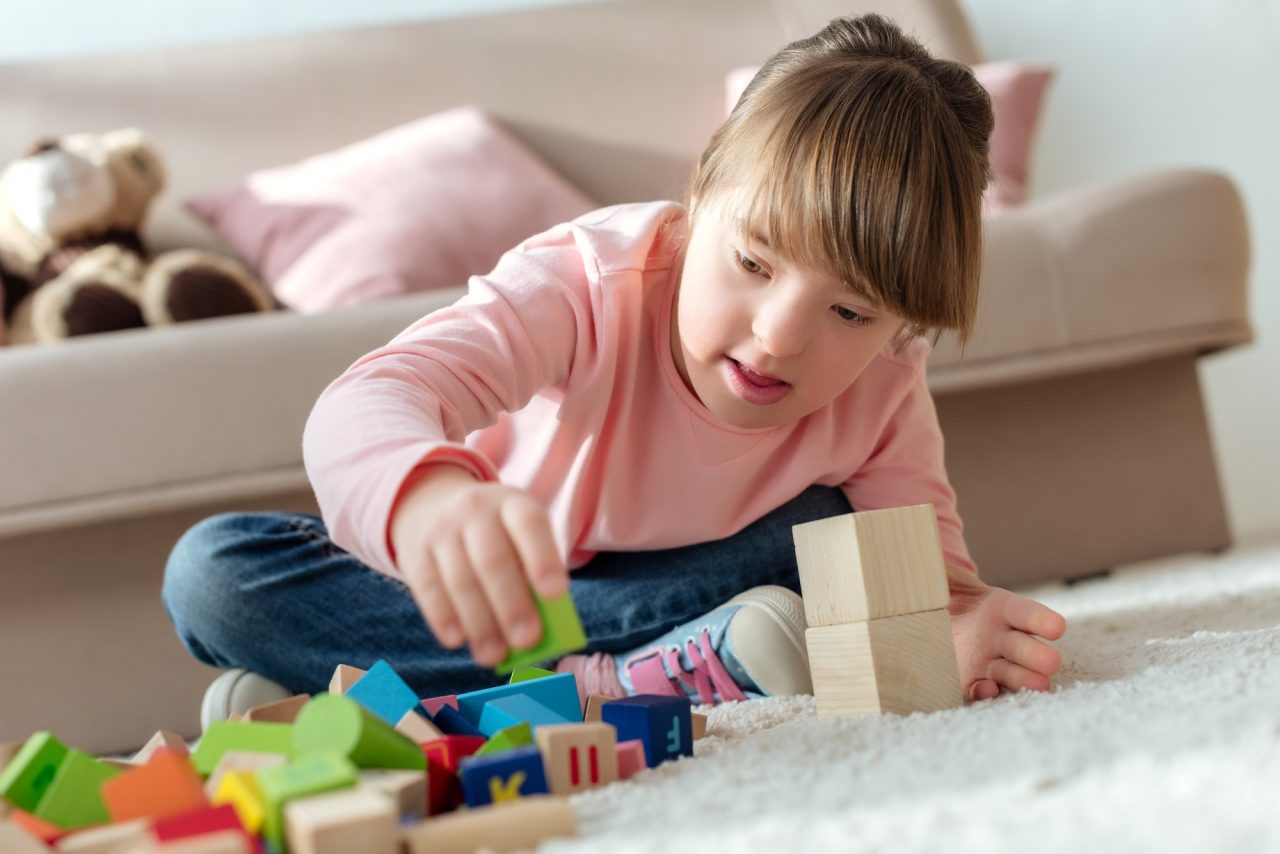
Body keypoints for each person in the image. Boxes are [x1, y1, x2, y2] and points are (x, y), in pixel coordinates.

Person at [163, 13, 1066, 724]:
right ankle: (613, 683)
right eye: (753, 263)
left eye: (851, 311)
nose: (780, 337)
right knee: (213, 571)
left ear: (902, 324)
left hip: (692, 585)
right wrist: (428, 500)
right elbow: (375, 397)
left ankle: (403, 706)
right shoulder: (587, 279)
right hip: (508, 594)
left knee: (834, 533)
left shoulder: (885, 383)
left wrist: (952, 638)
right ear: (702, 188)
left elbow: (932, 581)